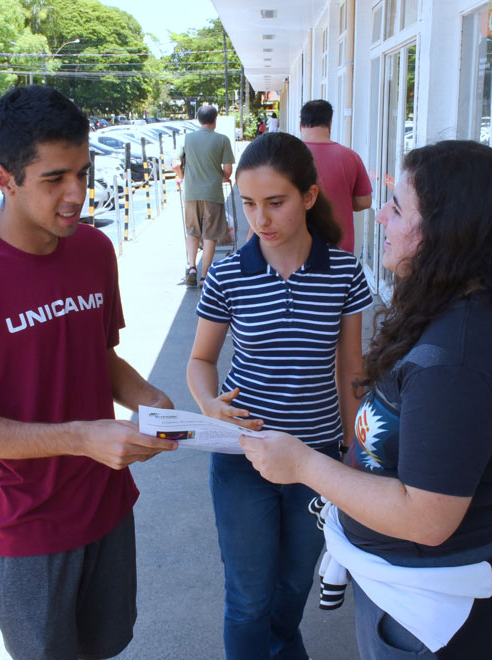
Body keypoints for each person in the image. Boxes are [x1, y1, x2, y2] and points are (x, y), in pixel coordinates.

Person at [238, 140, 492, 660]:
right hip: (419, 591)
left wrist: (301, 463)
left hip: (430, 614)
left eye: (398, 208)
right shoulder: (458, 314)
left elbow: (427, 518)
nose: (382, 219)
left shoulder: (459, 359)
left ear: (447, 228)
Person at [0, 85, 177, 660]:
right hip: (26, 526)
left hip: (107, 503)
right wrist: (81, 436)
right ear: (5, 179)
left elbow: (96, 356)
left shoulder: (93, 251)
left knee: (106, 645)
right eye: (55, 179)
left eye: (83, 171)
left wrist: (149, 396)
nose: (77, 194)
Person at [187, 131, 373, 660]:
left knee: (293, 591)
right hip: (242, 455)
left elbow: (351, 373)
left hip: (316, 462)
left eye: (275, 202)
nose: (259, 219)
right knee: (248, 599)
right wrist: (208, 403)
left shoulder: (343, 273)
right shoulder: (227, 272)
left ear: (309, 197)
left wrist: (355, 456)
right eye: (247, 204)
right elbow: (201, 360)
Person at [172, 104, 235, 288]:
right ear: (215, 120)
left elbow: (176, 164)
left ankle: (192, 267)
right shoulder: (222, 140)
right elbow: (228, 170)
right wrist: (219, 178)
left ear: (198, 120)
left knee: (192, 231)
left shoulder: (187, 139)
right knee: (209, 236)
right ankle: (204, 276)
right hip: (213, 194)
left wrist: (184, 177)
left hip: (191, 193)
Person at [300, 99, 373, 254]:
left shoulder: (286, 156)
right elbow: (365, 201)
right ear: (330, 124)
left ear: (301, 124)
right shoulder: (350, 156)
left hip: (298, 247)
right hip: (340, 247)